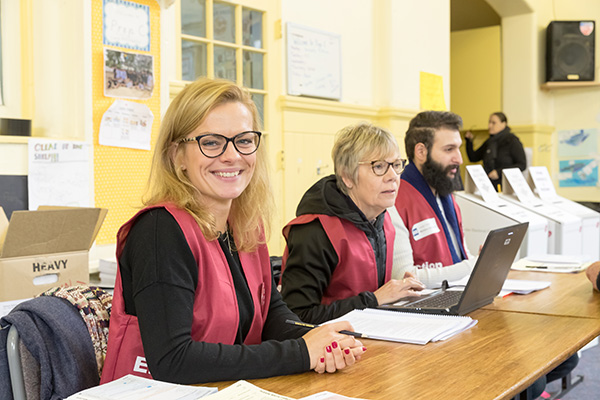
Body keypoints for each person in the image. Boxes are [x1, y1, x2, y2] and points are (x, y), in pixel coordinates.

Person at [100, 78, 366, 385]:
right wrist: (301, 352)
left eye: (244, 140)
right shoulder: (160, 231)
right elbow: (173, 361)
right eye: (211, 142)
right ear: (177, 156)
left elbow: (271, 316)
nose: (232, 155)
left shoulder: (246, 223)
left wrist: (321, 339)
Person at [280, 122, 425, 325]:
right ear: (347, 177)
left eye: (396, 165)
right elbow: (298, 316)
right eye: (379, 166)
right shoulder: (316, 230)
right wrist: (374, 300)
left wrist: (399, 291)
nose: (393, 176)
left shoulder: (382, 218)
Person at [389, 111, 475, 288]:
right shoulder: (394, 199)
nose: (459, 159)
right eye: (449, 149)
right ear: (421, 151)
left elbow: (462, 255)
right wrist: (473, 267)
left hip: (454, 294)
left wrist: (483, 264)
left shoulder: (446, 194)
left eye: (458, 148)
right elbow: (404, 277)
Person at [464, 112, 526, 190]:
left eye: (493, 123)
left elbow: (522, 165)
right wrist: (469, 141)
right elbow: (473, 158)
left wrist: (499, 172)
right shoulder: (490, 141)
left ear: (503, 124)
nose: (489, 126)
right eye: (489, 122)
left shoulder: (512, 140)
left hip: (507, 187)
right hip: (488, 185)